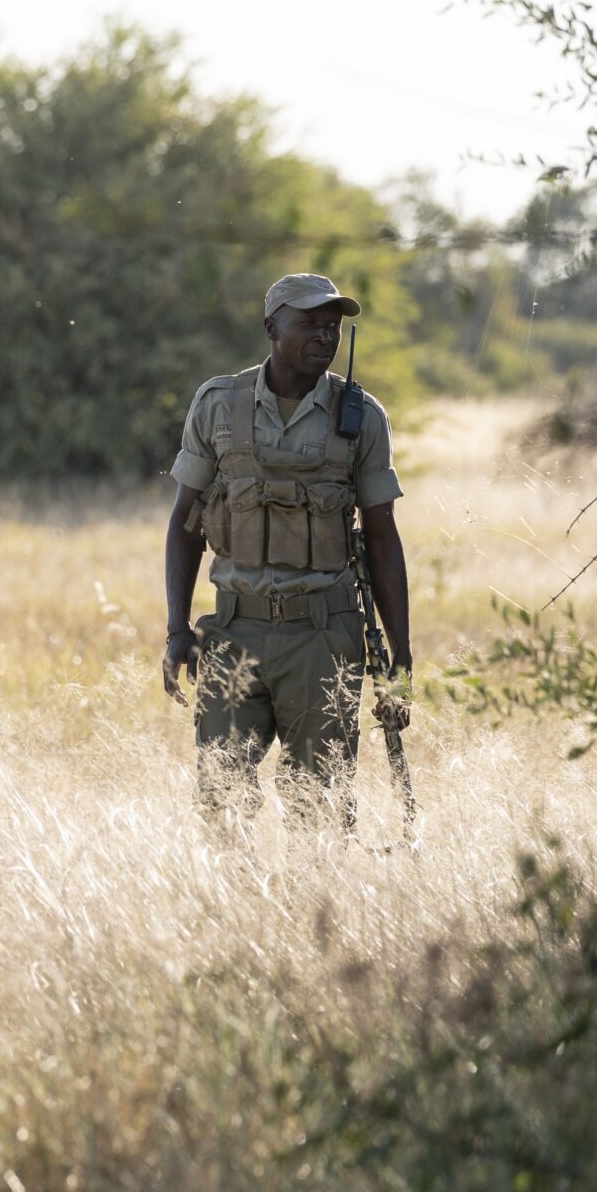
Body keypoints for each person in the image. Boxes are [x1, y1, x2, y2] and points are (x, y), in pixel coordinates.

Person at [161, 273, 412, 831]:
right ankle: (235, 913)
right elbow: (185, 524)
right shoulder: (218, 405)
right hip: (233, 632)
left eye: (333, 326)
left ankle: (311, 911)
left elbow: (382, 536)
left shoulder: (361, 417)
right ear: (271, 327)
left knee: (320, 809)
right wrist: (179, 629)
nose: (325, 335)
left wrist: (401, 656)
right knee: (221, 803)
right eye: (310, 323)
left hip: (324, 637)